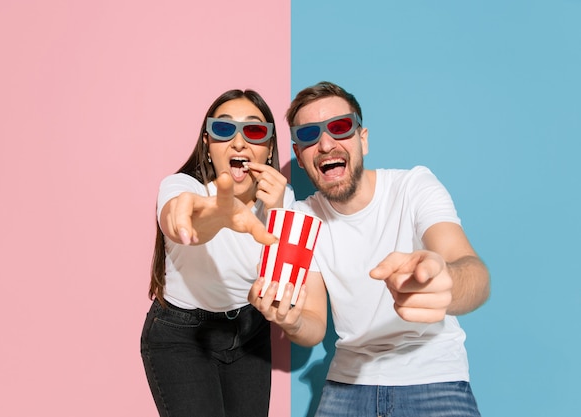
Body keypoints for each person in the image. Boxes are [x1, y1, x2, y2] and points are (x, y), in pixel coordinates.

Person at [249, 81, 491, 417]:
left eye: (340, 127)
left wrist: (446, 282)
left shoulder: (413, 188)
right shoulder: (304, 217)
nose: (325, 143)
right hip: (348, 384)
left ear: (363, 139)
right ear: (300, 158)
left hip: (436, 377)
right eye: (308, 136)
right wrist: (289, 321)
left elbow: (472, 271)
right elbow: (315, 323)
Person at [140, 88, 295, 417]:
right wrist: (209, 219)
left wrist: (280, 214)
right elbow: (177, 217)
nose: (239, 143)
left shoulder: (283, 198)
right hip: (182, 336)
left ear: (268, 149)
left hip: (250, 331)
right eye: (224, 130)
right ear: (208, 146)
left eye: (253, 130)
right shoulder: (184, 187)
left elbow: (286, 288)